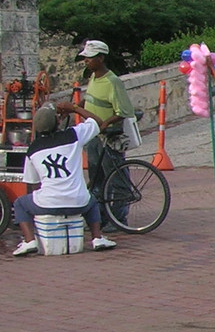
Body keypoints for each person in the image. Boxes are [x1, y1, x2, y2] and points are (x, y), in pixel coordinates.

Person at [10, 101, 118, 256]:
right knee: (92, 200)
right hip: (79, 202)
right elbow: (98, 122)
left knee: (20, 203)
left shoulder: (33, 149)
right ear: (58, 121)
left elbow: (33, 184)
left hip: (47, 203)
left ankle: (29, 241)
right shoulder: (73, 135)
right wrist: (74, 108)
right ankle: (97, 238)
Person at [77, 39, 136, 227]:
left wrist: (106, 124)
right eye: (85, 58)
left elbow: (124, 111)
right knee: (96, 179)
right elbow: (89, 100)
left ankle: (118, 218)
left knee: (116, 179)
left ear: (101, 58)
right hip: (93, 137)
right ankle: (99, 217)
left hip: (109, 138)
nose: (86, 61)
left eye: (90, 58)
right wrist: (74, 108)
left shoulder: (113, 81)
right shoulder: (93, 78)